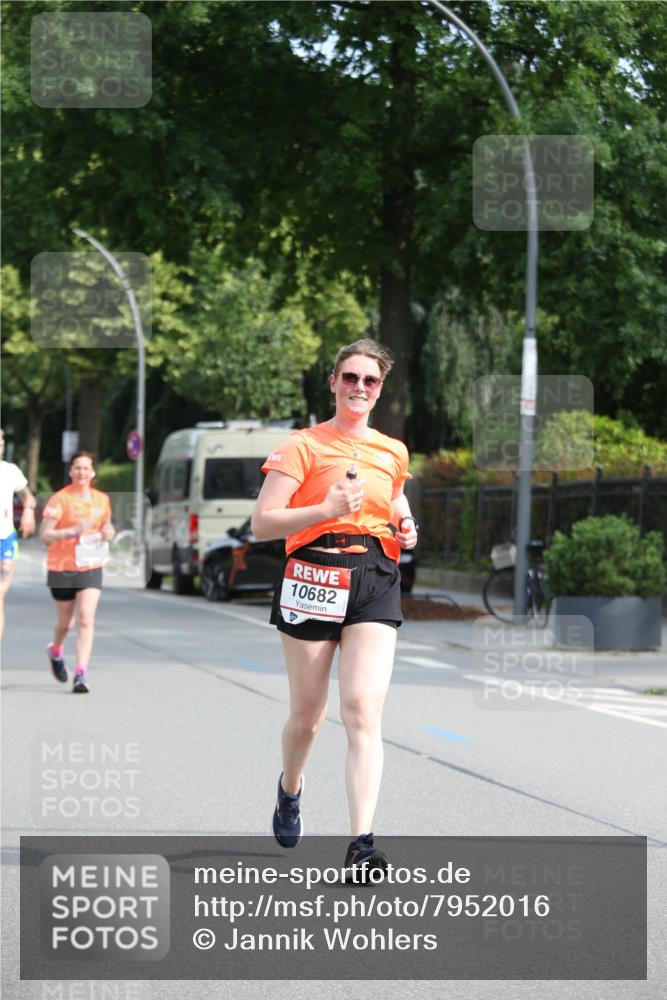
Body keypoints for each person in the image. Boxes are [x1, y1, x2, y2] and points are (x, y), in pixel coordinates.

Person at [251, 338, 418, 875]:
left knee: (363, 711)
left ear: (380, 390)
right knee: (308, 717)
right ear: (333, 383)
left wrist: (405, 522)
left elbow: (394, 495)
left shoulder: (392, 450)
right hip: (313, 573)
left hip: (375, 574)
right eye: (350, 377)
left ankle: (361, 844)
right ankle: (290, 788)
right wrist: (324, 509)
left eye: (370, 380)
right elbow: (263, 522)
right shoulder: (303, 445)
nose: (359, 387)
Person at [39, 451, 115, 693]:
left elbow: (106, 525)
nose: (82, 472)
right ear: (71, 471)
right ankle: (56, 650)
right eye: (77, 468)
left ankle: (81, 674)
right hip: (61, 566)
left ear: (92, 473)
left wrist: (109, 532)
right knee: (66, 623)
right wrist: (71, 531)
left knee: (85, 618)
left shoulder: (102, 500)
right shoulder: (59, 499)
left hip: (90, 564)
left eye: (86, 468)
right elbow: (44, 535)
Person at [0, 428, 37, 640]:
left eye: (1, 442)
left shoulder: (10, 471)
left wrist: (28, 512)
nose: (0, 445)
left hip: (5, 539)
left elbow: (28, 497)